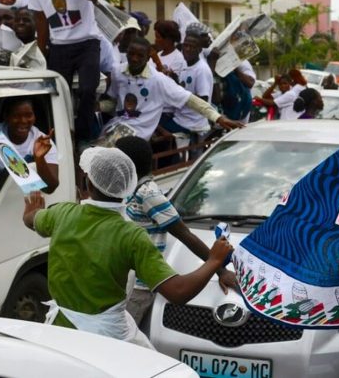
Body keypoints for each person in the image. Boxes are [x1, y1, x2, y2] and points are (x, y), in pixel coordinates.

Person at [22, 147, 232, 347]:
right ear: (126, 190)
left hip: (61, 332)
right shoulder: (131, 235)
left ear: (88, 184)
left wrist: (32, 211)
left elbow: (31, 219)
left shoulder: (62, 213)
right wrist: (214, 261)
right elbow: (178, 292)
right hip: (107, 341)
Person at [115, 136, 239, 325]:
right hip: (126, 281)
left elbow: (184, 234)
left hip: (140, 287)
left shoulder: (148, 194)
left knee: (122, 340)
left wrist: (220, 270)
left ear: (127, 165)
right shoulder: (129, 190)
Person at [27, 0, 101, 142]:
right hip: (59, 45)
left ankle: (84, 139)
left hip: (87, 41)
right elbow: (40, 17)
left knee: (88, 89)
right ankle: (60, 137)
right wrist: (41, 51)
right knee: (58, 94)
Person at [106, 37, 242, 141]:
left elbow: (190, 99)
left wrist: (218, 118)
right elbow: (113, 101)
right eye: (131, 54)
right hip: (116, 128)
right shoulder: (117, 71)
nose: (134, 59)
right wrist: (97, 106)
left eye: (140, 56)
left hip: (139, 135)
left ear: (148, 57)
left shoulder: (158, 80)